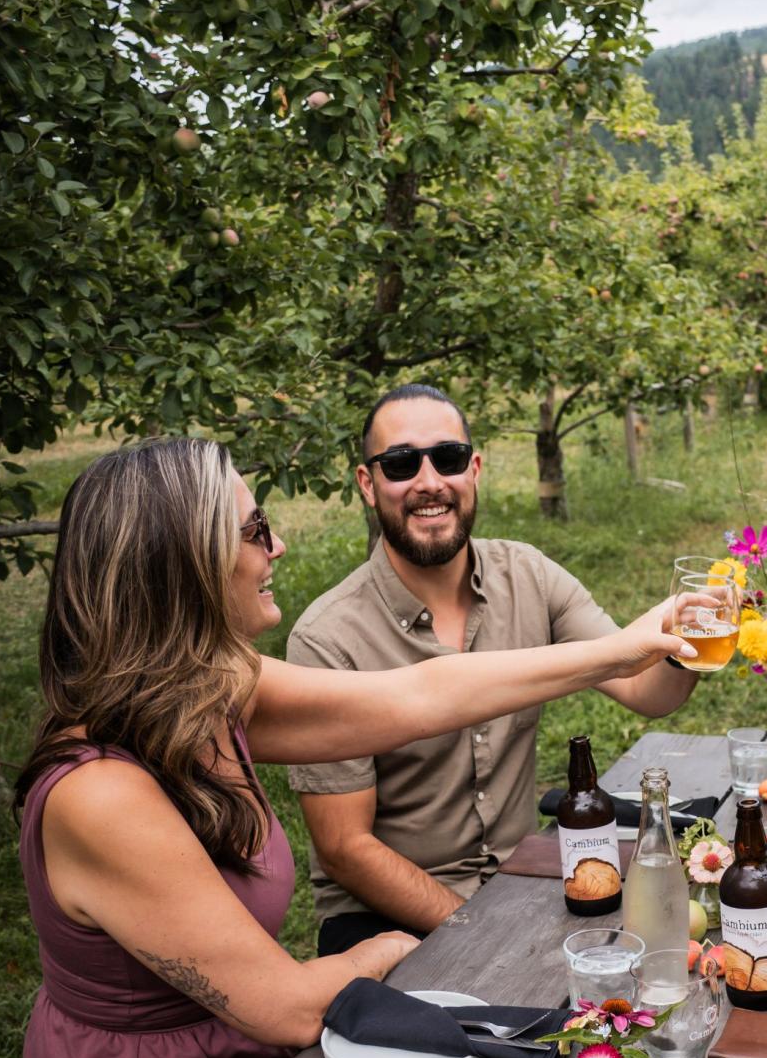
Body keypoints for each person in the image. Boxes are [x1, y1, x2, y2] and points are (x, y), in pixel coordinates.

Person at [13, 436, 692, 1058]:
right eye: (256, 529)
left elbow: (418, 691)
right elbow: (287, 1007)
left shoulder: (205, 693)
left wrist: (625, 649)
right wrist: (384, 947)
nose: (280, 546)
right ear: (182, 563)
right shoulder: (100, 796)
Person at [285, 384, 698, 955]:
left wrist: (689, 640)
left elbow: (645, 689)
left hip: (520, 883)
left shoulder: (528, 575)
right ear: (367, 482)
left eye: (448, 458)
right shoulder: (328, 638)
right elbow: (344, 849)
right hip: (384, 918)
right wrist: (477, 933)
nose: (429, 482)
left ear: (474, 468)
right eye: (402, 463)